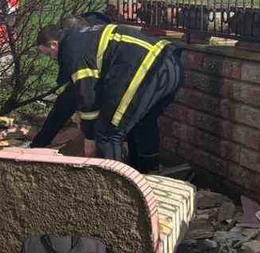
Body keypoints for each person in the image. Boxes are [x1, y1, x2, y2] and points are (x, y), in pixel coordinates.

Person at [30, 20, 182, 173]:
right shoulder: (81, 40)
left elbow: (87, 97)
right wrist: (36, 146)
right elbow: (67, 101)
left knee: (107, 132)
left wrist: (89, 137)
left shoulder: (71, 51)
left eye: (49, 54)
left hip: (146, 66)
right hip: (170, 64)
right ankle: (147, 173)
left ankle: (112, 189)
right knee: (141, 122)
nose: (52, 59)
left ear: (54, 45)